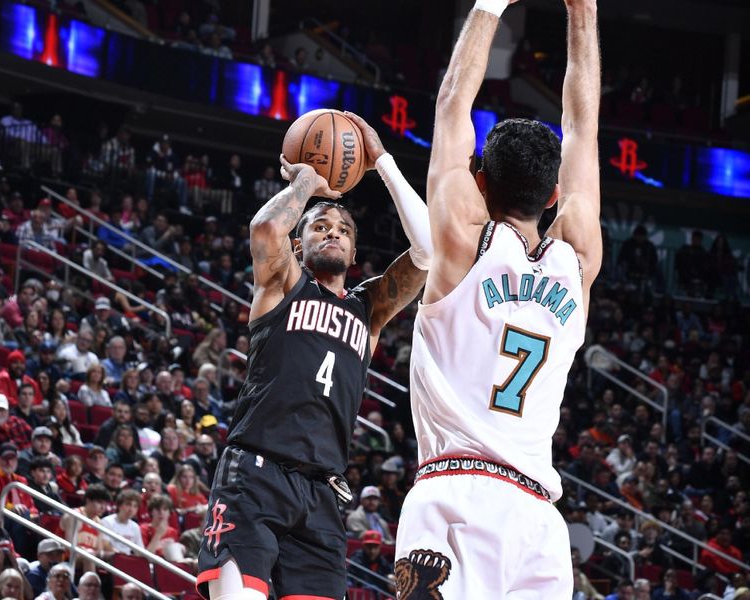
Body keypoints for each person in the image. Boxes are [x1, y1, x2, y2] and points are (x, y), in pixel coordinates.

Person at [394, 0, 601, 597]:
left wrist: (488, 6)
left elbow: (452, 103)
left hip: (451, 495)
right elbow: (583, 127)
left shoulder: (461, 240)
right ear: (556, 193)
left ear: (479, 181)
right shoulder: (577, 262)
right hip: (537, 521)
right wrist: (582, 13)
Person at [196, 112, 432, 599]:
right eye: (320, 227)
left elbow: (428, 251)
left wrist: (382, 161)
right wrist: (306, 181)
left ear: (354, 251)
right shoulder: (284, 283)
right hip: (254, 477)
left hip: (322, 495)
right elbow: (265, 231)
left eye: (343, 230)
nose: (333, 233)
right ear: (299, 244)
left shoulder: (370, 309)